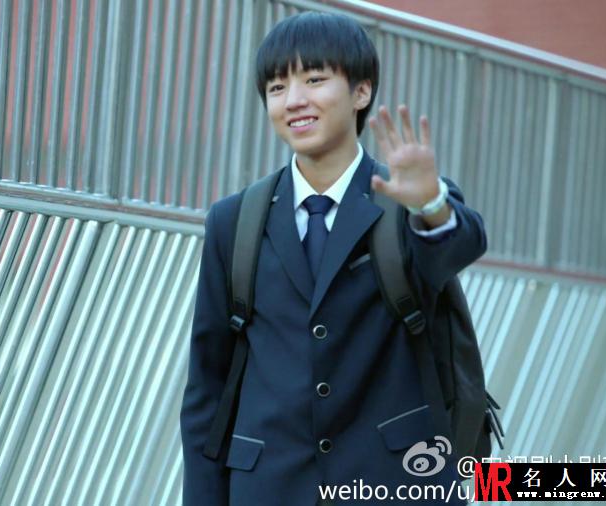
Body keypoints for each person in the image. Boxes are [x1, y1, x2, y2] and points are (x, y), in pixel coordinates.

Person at [180, 11, 486, 506]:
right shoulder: (233, 221)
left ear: (361, 92)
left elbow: (459, 247)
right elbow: (206, 389)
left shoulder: (406, 201)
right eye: (277, 87)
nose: (293, 100)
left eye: (314, 79)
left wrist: (431, 204)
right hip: (269, 489)